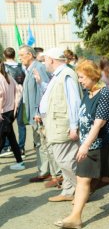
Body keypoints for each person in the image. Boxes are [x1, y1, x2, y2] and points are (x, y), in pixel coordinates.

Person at [54, 60, 109, 229]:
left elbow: (99, 123)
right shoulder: (87, 93)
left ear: (91, 76)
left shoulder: (104, 93)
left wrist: (84, 145)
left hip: (105, 145)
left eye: (82, 77)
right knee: (82, 179)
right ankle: (75, 217)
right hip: (90, 145)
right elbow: (84, 117)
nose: (80, 80)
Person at [35, 47, 81, 200]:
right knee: (63, 160)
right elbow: (52, 94)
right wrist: (41, 83)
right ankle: (68, 191)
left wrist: (74, 126)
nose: (44, 64)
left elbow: (74, 101)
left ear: (52, 60)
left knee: (65, 160)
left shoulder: (66, 74)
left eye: (45, 60)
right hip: (56, 124)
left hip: (63, 125)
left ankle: (81, 191)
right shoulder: (59, 75)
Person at [18, 45, 59, 182]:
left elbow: (45, 90)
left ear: (30, 55)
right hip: (34, 115)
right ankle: (45, 171)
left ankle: (57, 174)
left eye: (21, 55)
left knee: (46, 143)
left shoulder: (38, 68)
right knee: (40, 144)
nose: (20, 58)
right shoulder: (30, 69)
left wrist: (38, 112)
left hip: (39, 115)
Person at [0, 61, 24, 170]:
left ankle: (20, 162)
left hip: (2, 112)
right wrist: (15, 105)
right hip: (9, 112)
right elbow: (19, 89)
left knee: (2, 140)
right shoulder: (8, 76)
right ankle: (19, 162)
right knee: (11, 138)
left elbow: (1, 96)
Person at [3, 47, 26, 156]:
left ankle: (8, 146)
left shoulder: (3, 67)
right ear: (14, 55)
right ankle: (21, 148)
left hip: (8, 97)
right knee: (21, 123)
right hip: (20, 96)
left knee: (7, 122)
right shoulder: (21, 66)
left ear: (4, 55)